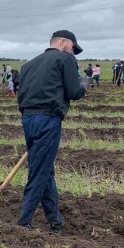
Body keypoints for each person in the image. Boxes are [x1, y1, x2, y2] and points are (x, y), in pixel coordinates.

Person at [16, 30, 90, 234]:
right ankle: (23, 223)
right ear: (63, 43)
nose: (73, 53)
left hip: (28, 119)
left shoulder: (28, 64)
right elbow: (74, 92)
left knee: (45, 169)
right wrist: (85, 86)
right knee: (39, 172)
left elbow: (21, 95)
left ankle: (55, 221)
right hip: (48, 119)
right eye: (73, 48)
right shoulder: (65, 59)